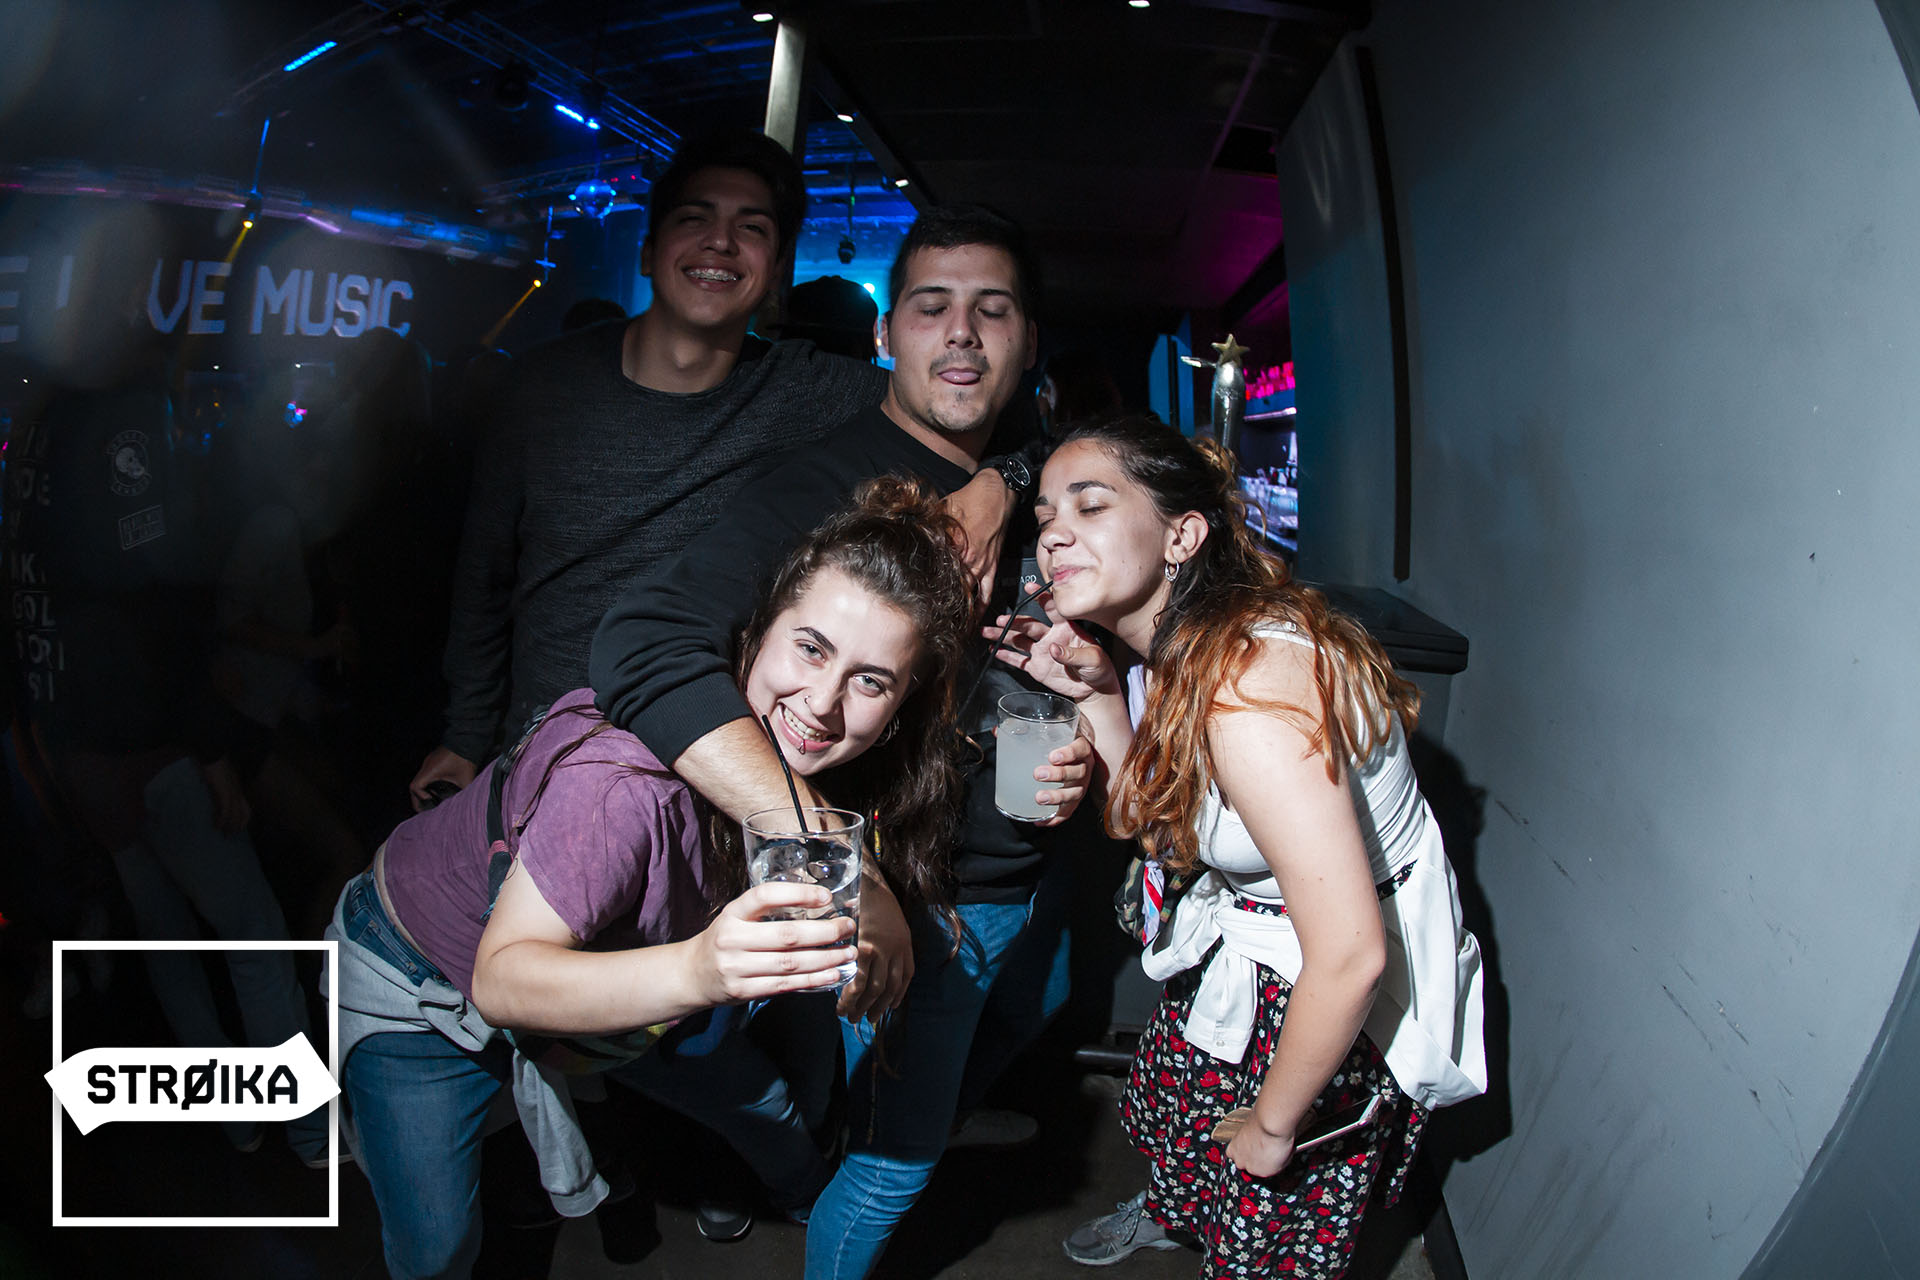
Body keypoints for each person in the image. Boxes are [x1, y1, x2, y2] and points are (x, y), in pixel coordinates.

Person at [590, 205, 1091, 1280]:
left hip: (1025, 856)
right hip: (927, 883)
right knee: (892, 1156)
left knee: (1037, 1005)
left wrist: (1007, 483)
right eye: (932, 307)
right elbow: (640, 642)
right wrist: (830, 850)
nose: (962, 333)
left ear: (1027, 342)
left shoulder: (1032, 474)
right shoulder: (821, 486)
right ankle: (872, 1141)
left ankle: (908, 1106)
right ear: (884, 334)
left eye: (993, 310)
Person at [329, 477, 976, 1280]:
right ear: (756, 632)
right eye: (810, 648)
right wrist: (701, 969)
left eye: (871, 680)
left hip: (606, 980)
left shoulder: (823, 779)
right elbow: (501, 981)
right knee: (437, 1249)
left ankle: (805, 1194)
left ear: (902, 705)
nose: (822, 702)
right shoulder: (624, 787)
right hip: (417, 969)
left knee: (759, 1098)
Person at [990, 415, 1486, 1278]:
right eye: (1044, 517)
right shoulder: (1167, 650)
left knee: (1266, 1214)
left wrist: (1274, 1128)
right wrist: (1098, 695)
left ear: (1182, 536)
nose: (1053, 533)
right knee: (1181, 1115)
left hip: (1322, 980)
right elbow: (1159, 829)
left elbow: (1351, 956)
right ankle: (1177, 1209)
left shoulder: (1249, 681)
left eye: (1090, 505)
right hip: (1245, 935)